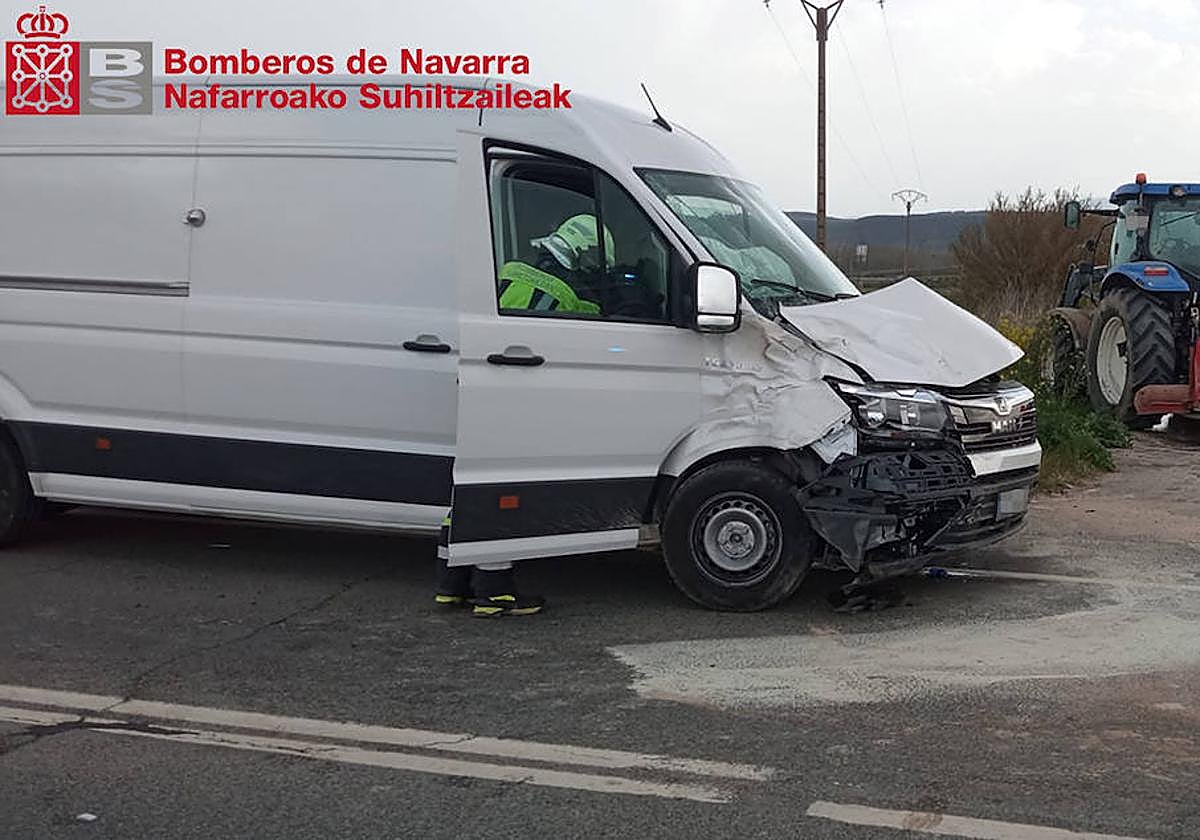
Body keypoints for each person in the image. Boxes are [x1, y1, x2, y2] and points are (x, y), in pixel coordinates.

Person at [433, 214, 613, 617]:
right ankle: (494, 591)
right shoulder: (563, 291)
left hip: (480, 385)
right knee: (501, 494)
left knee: (468, 490)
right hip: (513, 392)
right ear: (585, 254)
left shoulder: (512, 269)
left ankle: (451, 584)